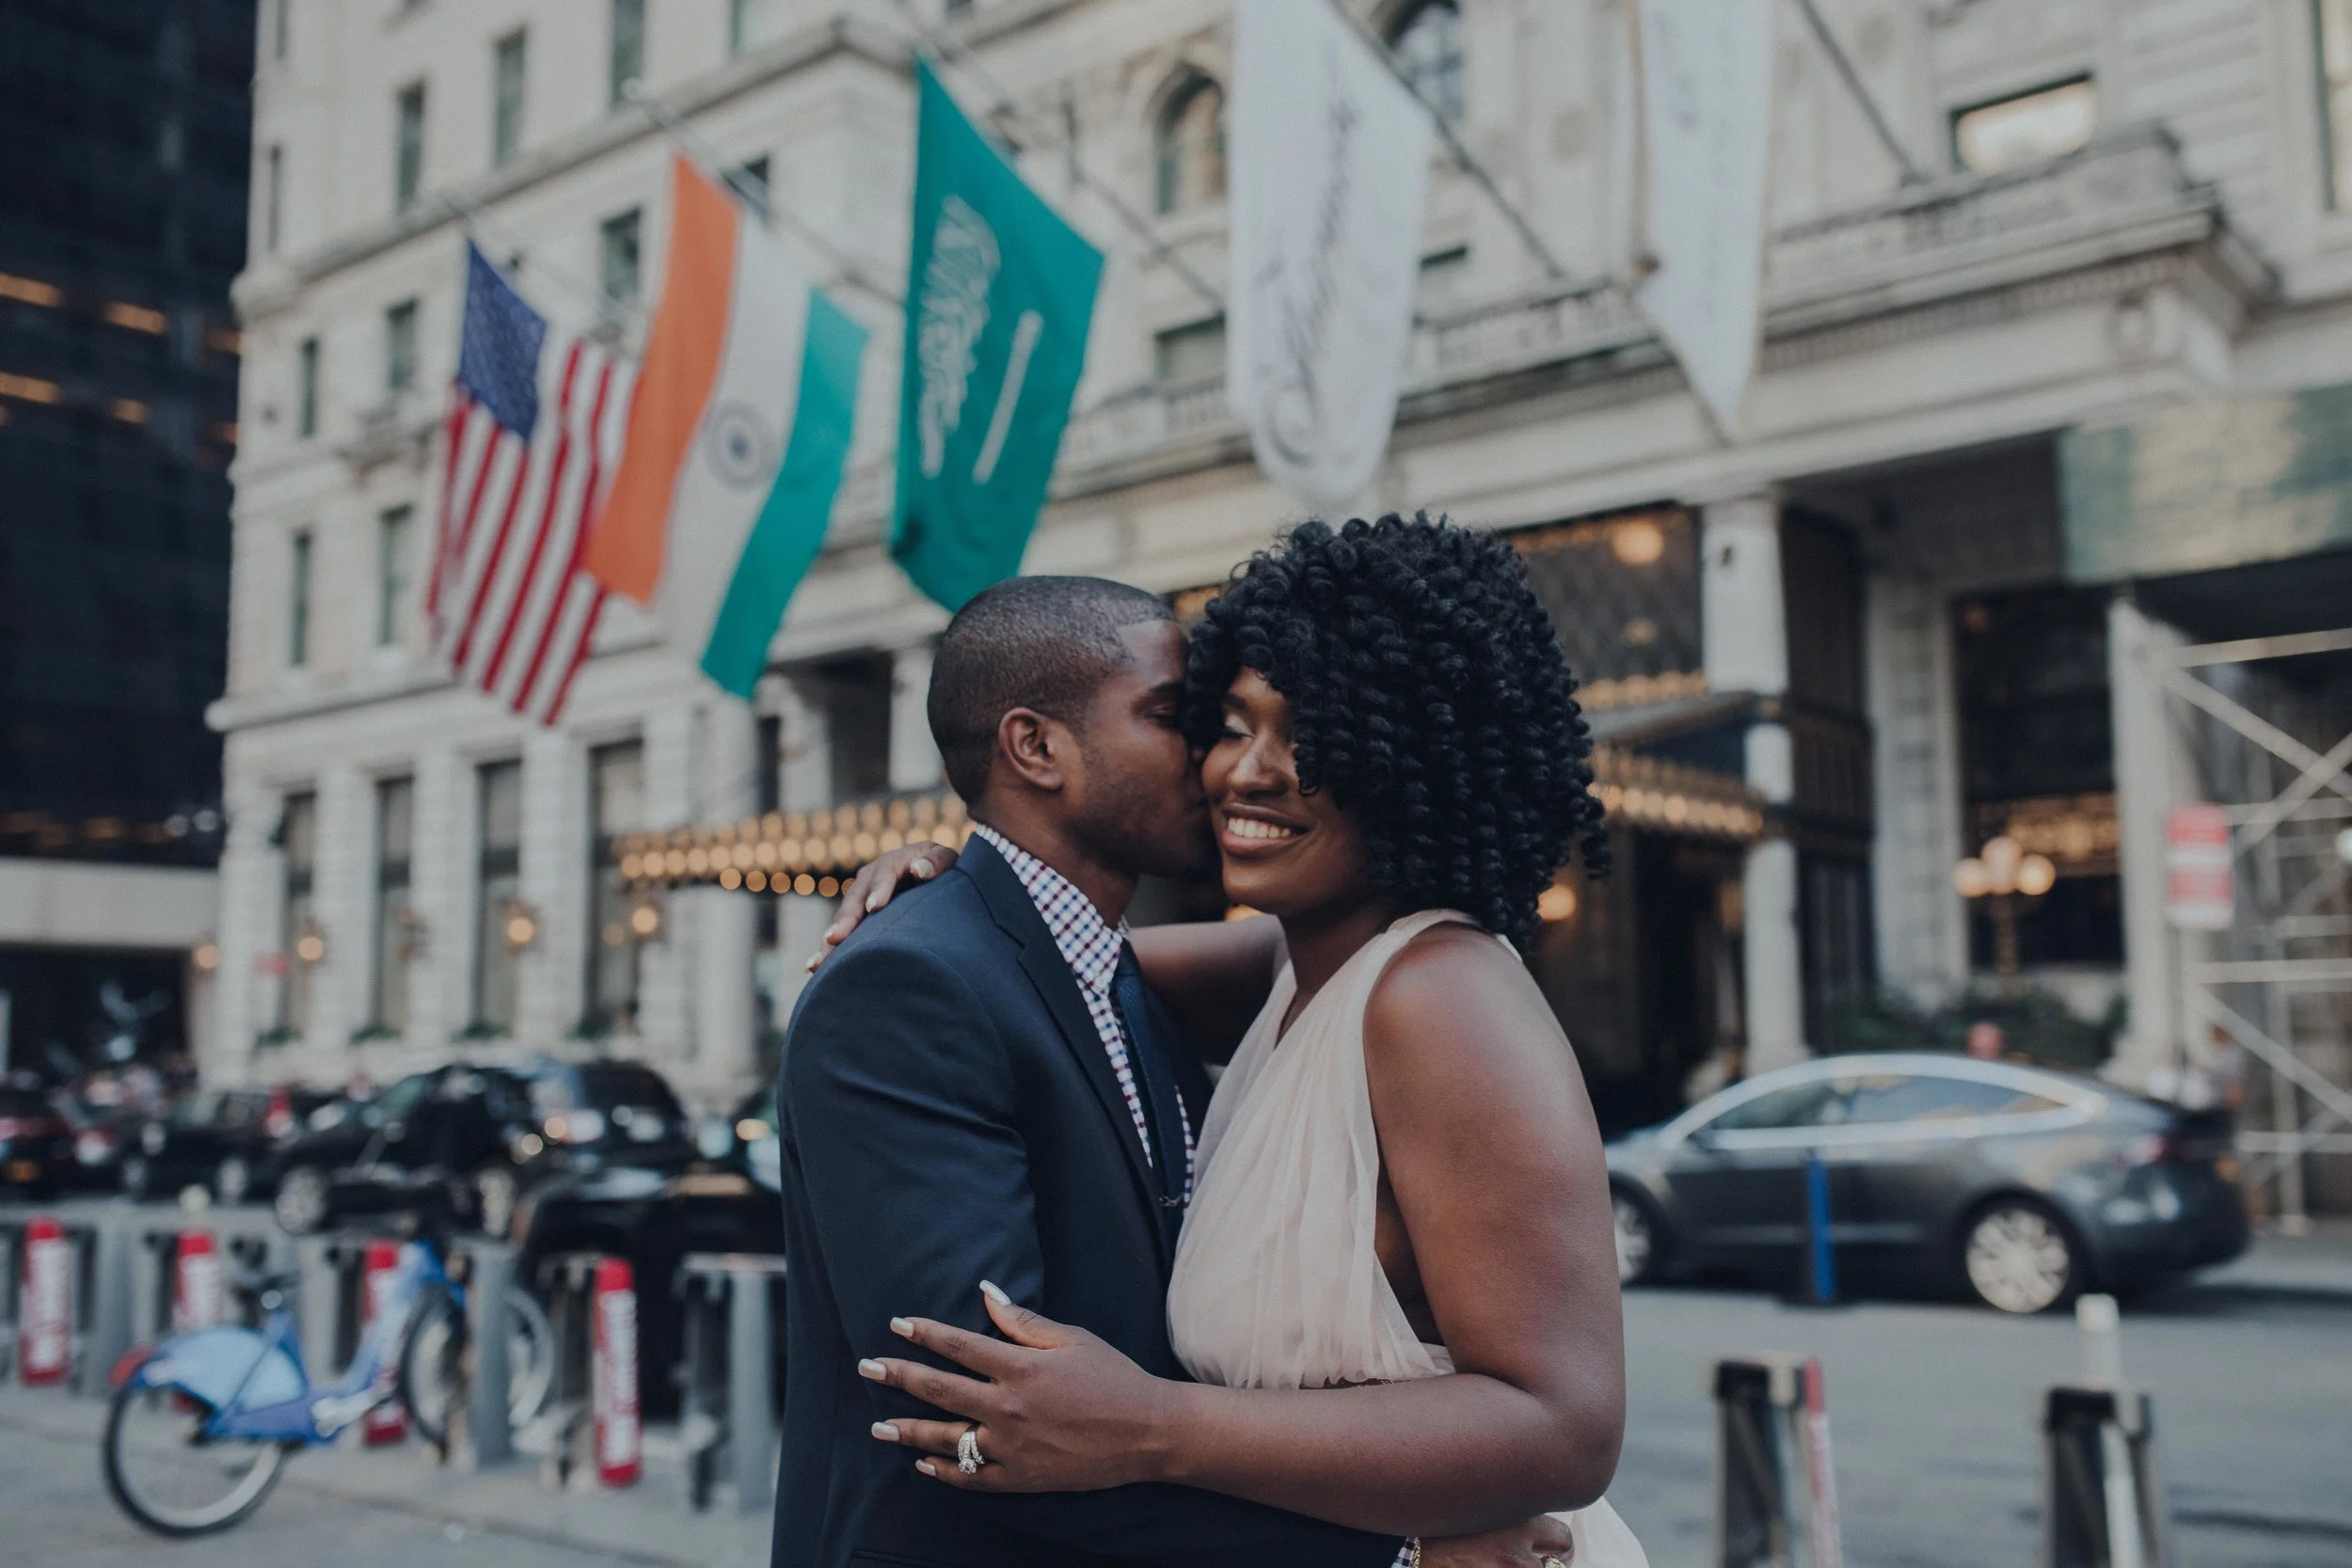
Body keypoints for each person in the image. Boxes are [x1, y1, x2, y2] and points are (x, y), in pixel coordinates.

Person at [815, 518, 1647, 1565]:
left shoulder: (1440, 998)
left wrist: (1151, 1425)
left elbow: (1566, 1427)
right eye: (1228, 722)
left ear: (1418, 753)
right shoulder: (1287, 967)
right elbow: (1031, 966)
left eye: (1313, 735)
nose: (1246, 772)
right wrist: (956, 868)